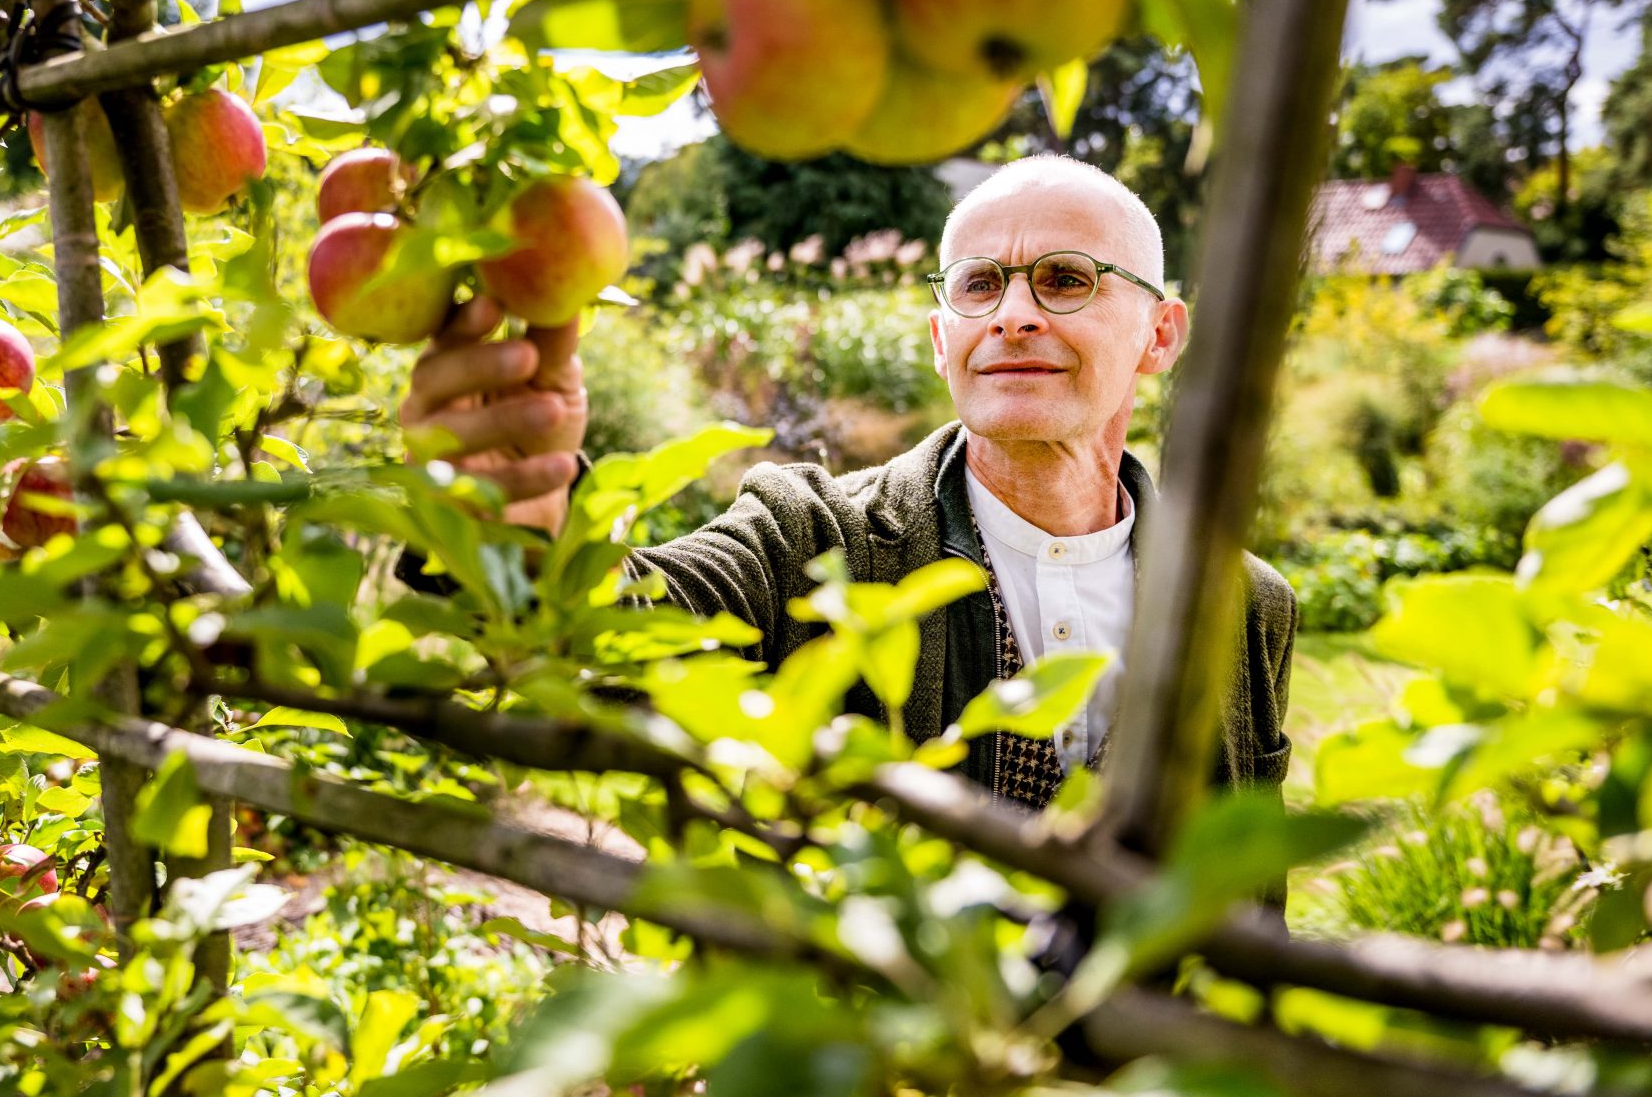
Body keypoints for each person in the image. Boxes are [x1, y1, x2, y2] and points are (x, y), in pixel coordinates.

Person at [398, 155, 1295, 810]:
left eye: (1066, 280)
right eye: (979, 285)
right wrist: (533, 536)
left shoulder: (1247, 605)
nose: (1014, 316)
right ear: (942, 341)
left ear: (1160, 335)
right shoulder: (812, 541)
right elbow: (636, 635)